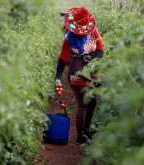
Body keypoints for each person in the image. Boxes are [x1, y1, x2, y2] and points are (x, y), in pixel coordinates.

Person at [55, 6, 105, 144]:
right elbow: (63, 58)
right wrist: (58, 78)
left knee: (93, 102)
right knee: (82, 104)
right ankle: (80, 136)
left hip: (93, 69)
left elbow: (101, 49)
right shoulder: (68, 39)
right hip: (77, 70)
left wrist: (93, 64)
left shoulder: (93, 31)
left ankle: (87, 130)